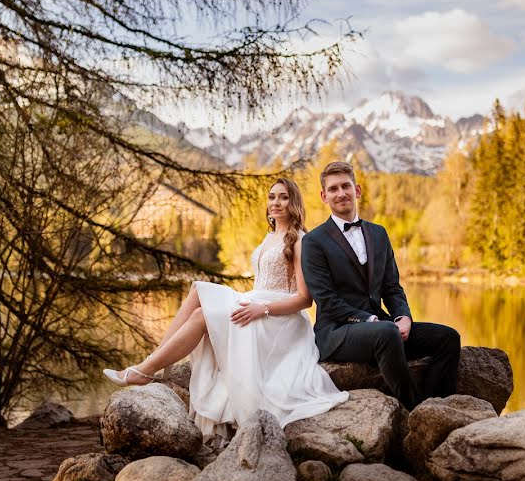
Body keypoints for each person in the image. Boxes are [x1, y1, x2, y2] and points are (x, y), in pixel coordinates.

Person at [102, 177, 348, 445]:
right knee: (198, 293)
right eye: (272, 196)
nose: (276, 202)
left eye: (284, 197)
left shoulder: (300, 240)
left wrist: (262, 309)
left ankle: (148, 368)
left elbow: (304, 299)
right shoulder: (269, 237)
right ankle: (154, 364)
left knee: (200, 308)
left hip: (279, 319)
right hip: (254, 301)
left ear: (294, 203)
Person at [301, 161, 461, 410]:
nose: (340, 193)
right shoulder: (314, 241)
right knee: (386, 333)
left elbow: (392, 287)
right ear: (324, 196)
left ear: (358, 190)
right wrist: (371, 321)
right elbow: (326, 301)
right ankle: (415, 408)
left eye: (346, 186)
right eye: (333, 189)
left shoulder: (379, 233)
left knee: (448, 338)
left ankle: (437, 406)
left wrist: (403, 316)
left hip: (383, 326)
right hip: (337, 332)